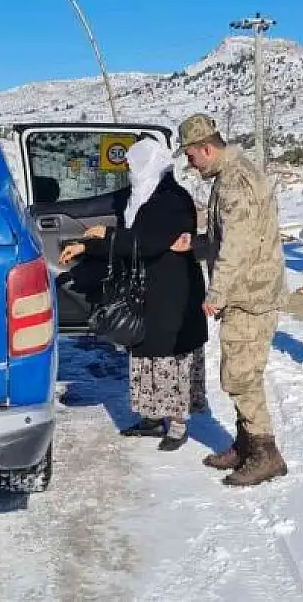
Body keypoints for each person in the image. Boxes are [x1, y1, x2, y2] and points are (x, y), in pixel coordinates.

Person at [59, 138, 208, 451]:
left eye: (132, 165)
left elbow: (149, 241)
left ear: (149, 164)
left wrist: (105, 236)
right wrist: (88, 245)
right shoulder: (138, 196)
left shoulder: (172, 198)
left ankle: (178, 424)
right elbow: (132, 241)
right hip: (144, 287)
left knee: (171, 356)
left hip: (173, 290)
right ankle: (153, 418)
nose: (129, 171)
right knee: (144, 352)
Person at [175, 113, 288, 487]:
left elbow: (237, 248)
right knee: (238, 370)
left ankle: (266, 453)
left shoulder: (234, 181)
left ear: (207, 148)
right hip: (249, 291)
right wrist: (200, 245)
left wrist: (217, 293)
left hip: (249, 296)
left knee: (241, 376)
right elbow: (235, 237)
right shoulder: (232, 174)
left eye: (192, 157)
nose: (191, 165)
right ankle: (245, 443)